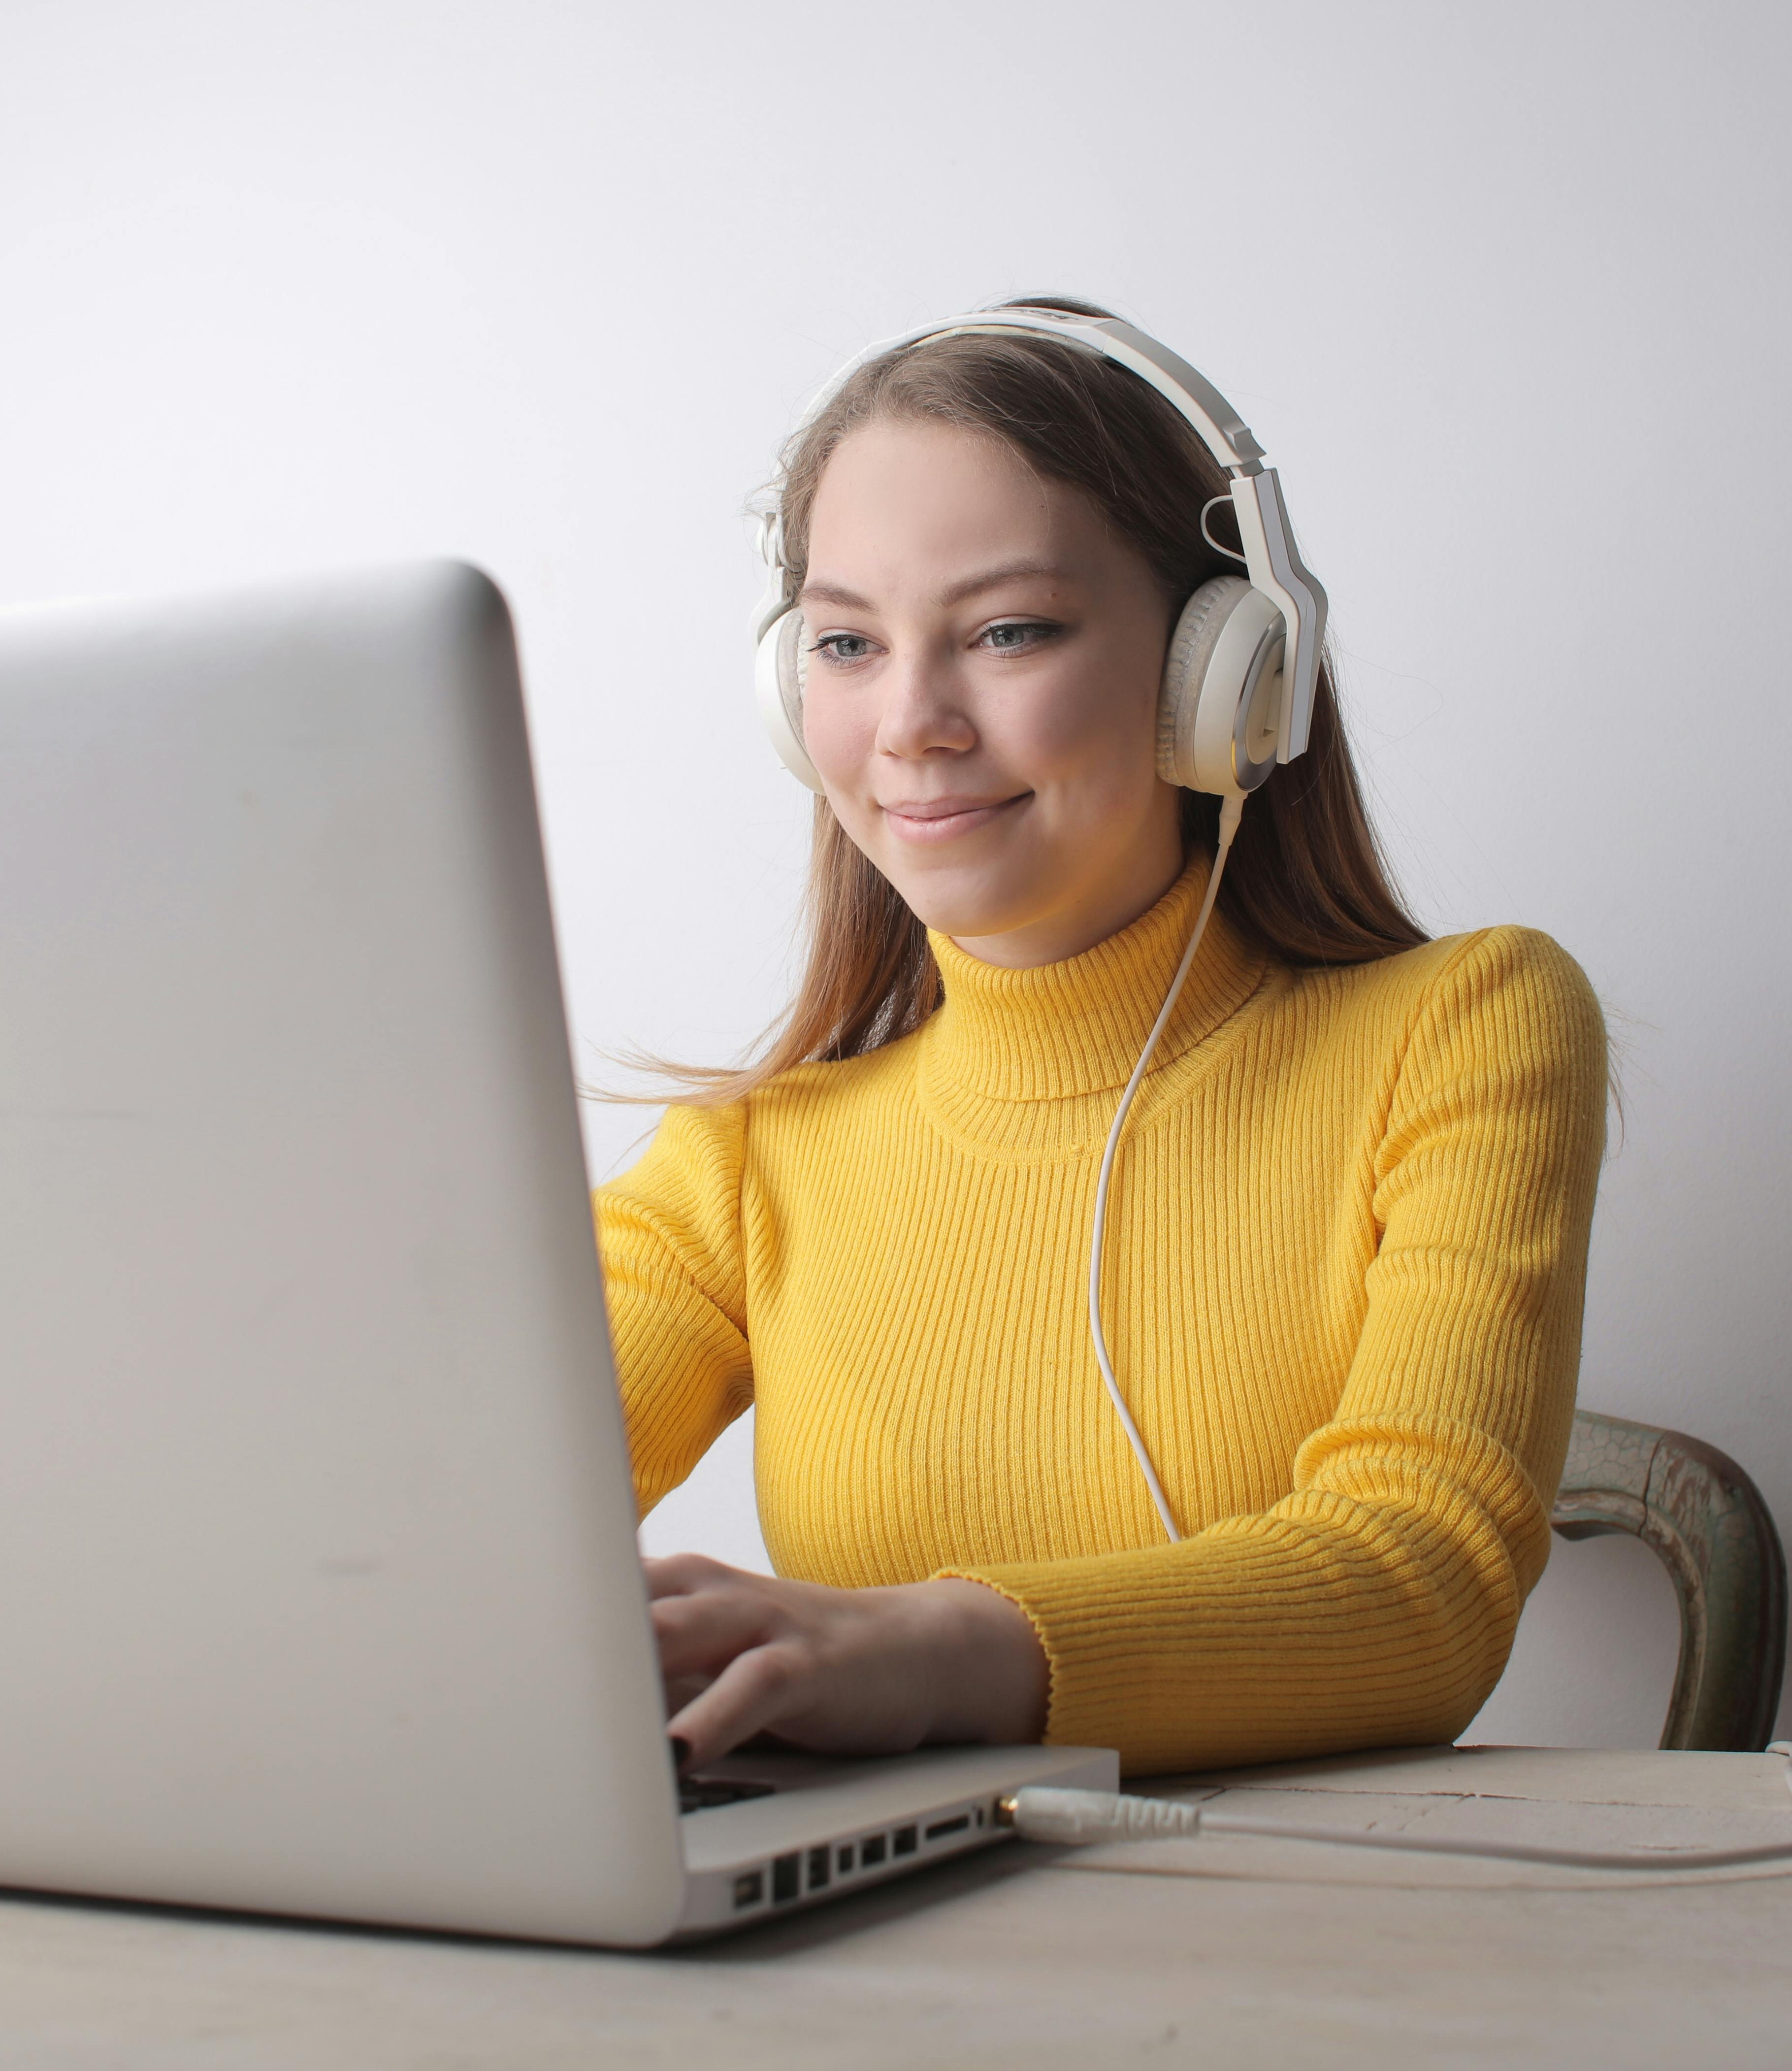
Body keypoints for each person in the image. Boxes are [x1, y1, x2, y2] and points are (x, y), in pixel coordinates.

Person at [601, 300, 1606, 1780]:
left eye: (1008, 631)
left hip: (1338, 1948)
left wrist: (924, 1651)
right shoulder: (745, 1164)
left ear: (1225, 675)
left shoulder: (1464, 1029)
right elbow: (432, 1517)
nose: (910, 725)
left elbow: (1424, 1583)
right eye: (846, 644)